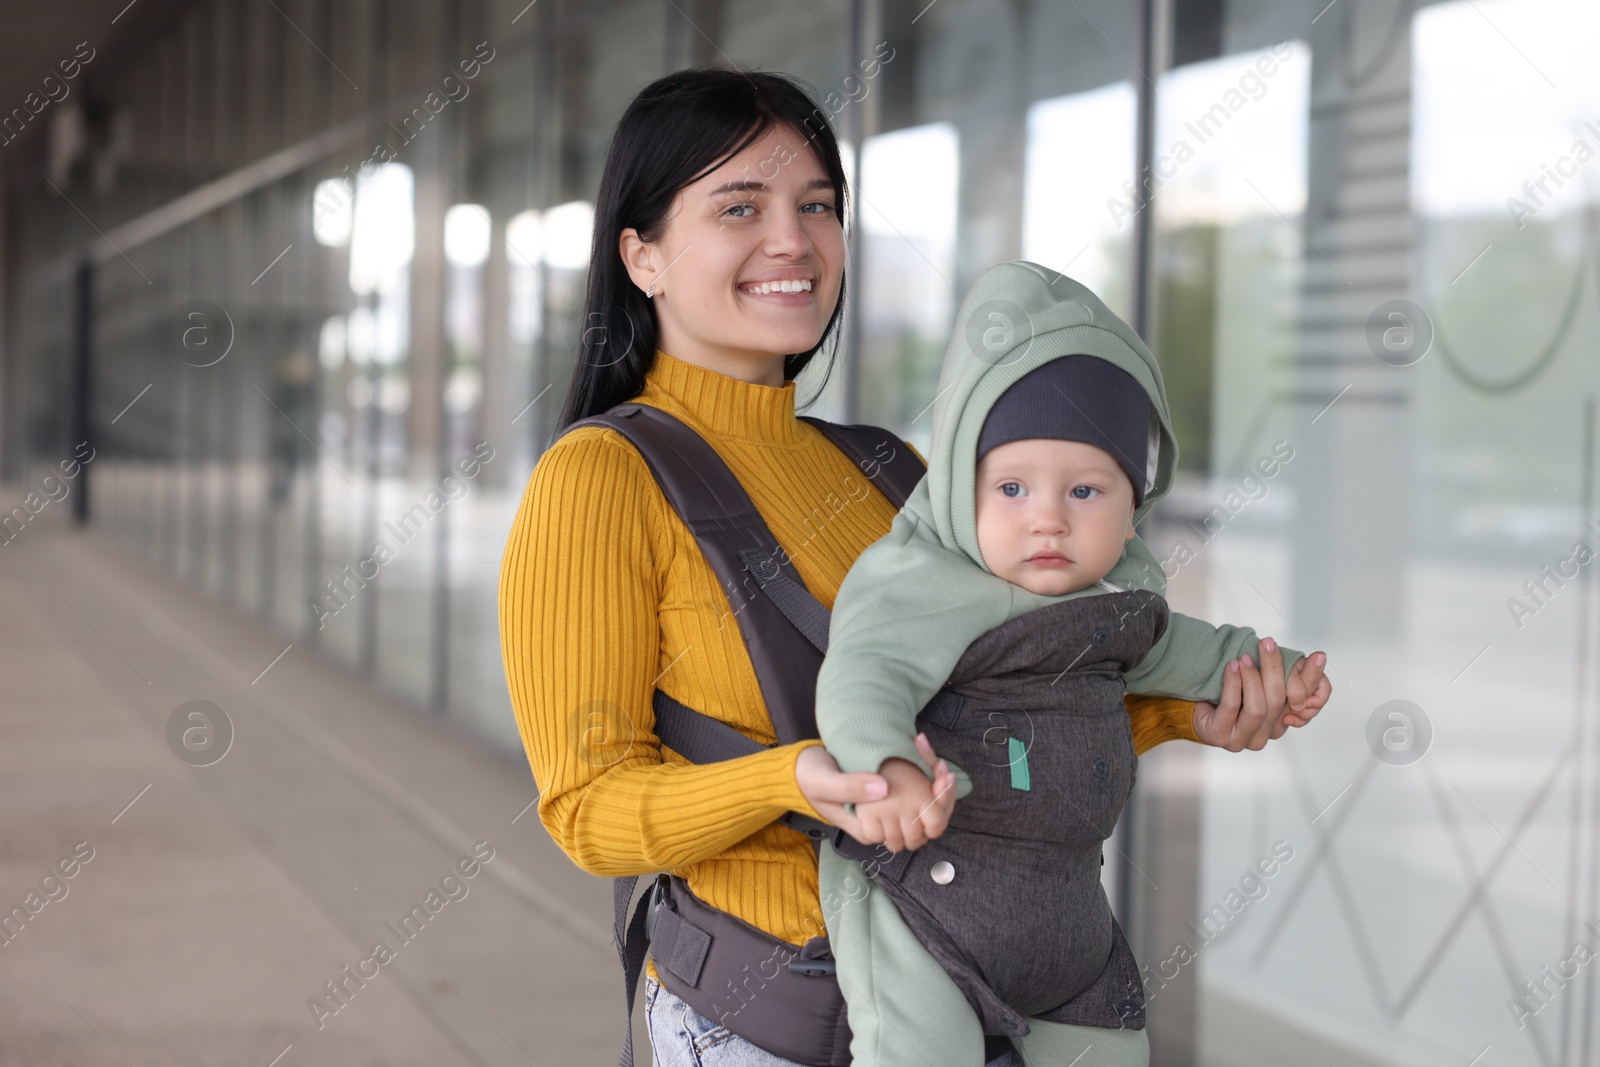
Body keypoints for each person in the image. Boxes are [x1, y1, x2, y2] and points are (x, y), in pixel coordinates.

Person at [498, 69, 1314, 1067]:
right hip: (776, 1019)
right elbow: (588, 808)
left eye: (817, 206)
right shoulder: (601, 479)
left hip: (980, 996)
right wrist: (796, 777)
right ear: (643, 255)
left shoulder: (893, 469)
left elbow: (1010, 715)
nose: (792, 239)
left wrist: (1192, 713)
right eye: (738, 206)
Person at [813, 261, 1331, 1066]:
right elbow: (862, 675)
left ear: (1133, 507)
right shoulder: (920, 585)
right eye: (1012, 487)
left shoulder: (1119, 603)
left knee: (1114, 1047)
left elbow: (1192, 650)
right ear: (960, 489)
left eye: (1086, 491)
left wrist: (1271, 668)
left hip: (1070, 928)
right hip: (928, 904)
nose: (1048, 518)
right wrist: (885, 766)